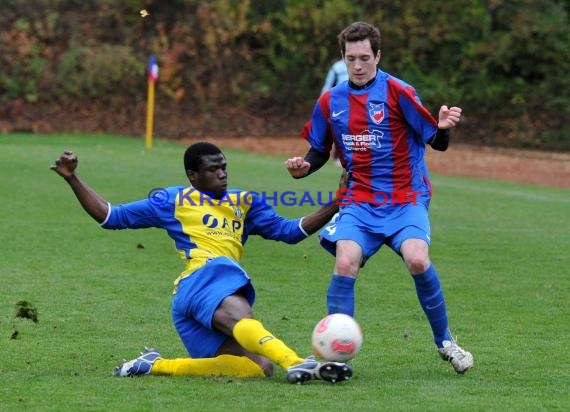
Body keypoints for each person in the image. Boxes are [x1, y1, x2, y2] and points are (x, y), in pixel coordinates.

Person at [50, 142, 352, 384]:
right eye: (213, 169)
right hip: (202, 277)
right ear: (193, 176)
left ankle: (155, 366)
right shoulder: (172, 200)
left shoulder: (245, 202)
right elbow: (110, 216)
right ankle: (297, 362)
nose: (222, 174)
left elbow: (290, 232)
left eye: (224, 167)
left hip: (202, 294)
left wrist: (337, 202)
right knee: (242, 315)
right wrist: (72, 178)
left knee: (258, 367)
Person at [285, 21, 474, 374]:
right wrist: (302, 168)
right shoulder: (331, 100)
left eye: (365, 58)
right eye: (351, 58)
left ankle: (446, 342)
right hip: (359, 201)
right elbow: (317, 152)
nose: (358, 66)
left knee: (417, 259)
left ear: (378, 56)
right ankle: (336, 358)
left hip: (406, 198)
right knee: (345, 262)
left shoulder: (400, 92)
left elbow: (436, 140)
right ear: (343, 58)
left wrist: (445, 129)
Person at [320, 59, 348, 166]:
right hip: (339, 104)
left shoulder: (361, 65)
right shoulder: (337, 67)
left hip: (357, 102)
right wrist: (322, 103)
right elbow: (328, 85)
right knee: (340, 129)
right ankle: (337, 156)